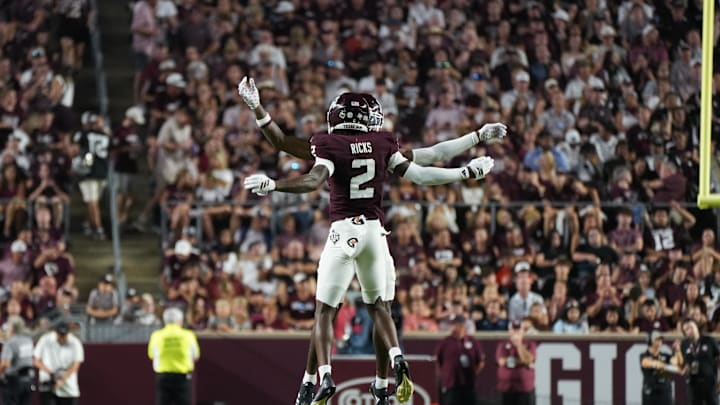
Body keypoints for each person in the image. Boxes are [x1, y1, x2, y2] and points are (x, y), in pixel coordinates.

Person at [238, 78, 506, 405]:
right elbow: (430, 158)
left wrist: (273, 174)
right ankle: (385, 376)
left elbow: (296, 160)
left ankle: (321, 378)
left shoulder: (328, 144)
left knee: (324, 312)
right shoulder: (381, 143)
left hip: (343, 232)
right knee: (381, 307)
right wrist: (471, 151)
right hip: (376, 234)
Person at [148, 307, 200, 405]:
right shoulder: (188, 335)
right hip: (183, 378)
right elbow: (196, 355)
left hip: (163, 377)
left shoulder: (156, 335)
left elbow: (151, 355)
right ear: (180, 321)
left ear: (165, 321)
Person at [434, 314, 485, 405]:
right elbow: (438, 361)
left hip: (468, 385)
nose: (451, 326)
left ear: (461, 325)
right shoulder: (445, 342)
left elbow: (480, 361)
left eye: (454, 324)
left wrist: (473, 373)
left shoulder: (472, 342)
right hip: (450, 385)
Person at [34, 321, 84, 405]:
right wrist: (51, 373)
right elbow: (36, 360)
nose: (62, 338)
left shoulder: (75, 343)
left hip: (68, 387)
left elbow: (76, 364)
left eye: (64, 335)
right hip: (48, 386)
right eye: (60, 335)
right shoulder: (45, 340)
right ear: (55, 333)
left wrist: (62, 379)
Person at [677, 318, 720, 405]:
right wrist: (683, 368)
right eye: (686, 329)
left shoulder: (709, 341)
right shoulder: (684, 344)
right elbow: (681, 364)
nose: (690, 330)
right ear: (685, 333)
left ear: (696, 326)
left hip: (709, 383)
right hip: (693, 385)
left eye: (691, 327)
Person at [496, 320, 536, 405]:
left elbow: (529, 359)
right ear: (509, 331)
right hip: (506, 387)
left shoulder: (530, 344)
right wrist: (522, 362)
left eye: (518, 329)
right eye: (514, 329)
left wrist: (519, 345)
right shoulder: (503, 344)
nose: (516, 332)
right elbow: (502, 362)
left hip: (525, 387)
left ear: (523, 331)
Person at [640, 331, 683, 405]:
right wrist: (664, 366)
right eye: (657, 339)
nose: (660, 341)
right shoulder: (644, 355)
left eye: (661, 339)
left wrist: (678, 350)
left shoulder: (665, 355)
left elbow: (678, 363)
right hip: (650, 392)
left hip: (665, 391)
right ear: (650, 341)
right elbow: (645, 363)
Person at [0, 316, 34, 405]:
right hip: (29, 379)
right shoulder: (28, 340)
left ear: (12, 328)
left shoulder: (11, 342)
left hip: (13, 381)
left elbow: (5, 364)